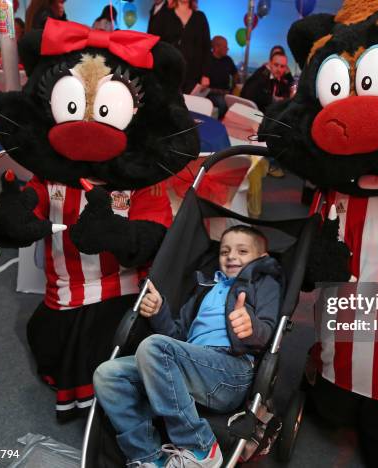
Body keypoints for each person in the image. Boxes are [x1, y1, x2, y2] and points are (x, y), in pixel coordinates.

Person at [94, 225, 281, 467]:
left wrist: (250, 327)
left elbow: (268, 331)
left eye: (242, 251)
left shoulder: (263, 283)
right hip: (189, 363)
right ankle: (148, 457)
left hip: (230, 369)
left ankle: (200, 448)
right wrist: (159, 311)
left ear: (261, 258)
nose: (231, 256)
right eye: (224, 252)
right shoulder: (204, 289)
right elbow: (177, 335)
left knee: (154, 347)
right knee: (107, 374)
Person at [241, 49, 292, 177]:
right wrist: (273, 100)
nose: (279, 69)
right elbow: (249, 95)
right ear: (269, 64)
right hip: (253, 117)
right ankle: (270, 163)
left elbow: (287, 91)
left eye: (282, 67)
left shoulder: (277, 79)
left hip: (262, 117)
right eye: (276, 65)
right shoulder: (261, 76)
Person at [155, 0, 211, 94]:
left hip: (194, 74)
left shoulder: (200, 17)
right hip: (168, 71)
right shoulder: (164, 14)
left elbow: (206, 47)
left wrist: (206, 74)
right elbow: (156, 43)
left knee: (189, 106)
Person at [206, 35, 238, 119]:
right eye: (225, 46)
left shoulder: (228, 60)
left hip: (226, 93)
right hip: (210, 93)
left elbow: (235, 74)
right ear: (216, 47)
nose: (228, 49)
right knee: (223, 103)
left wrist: (234, 87)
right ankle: (219, 124)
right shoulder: (207, 59)